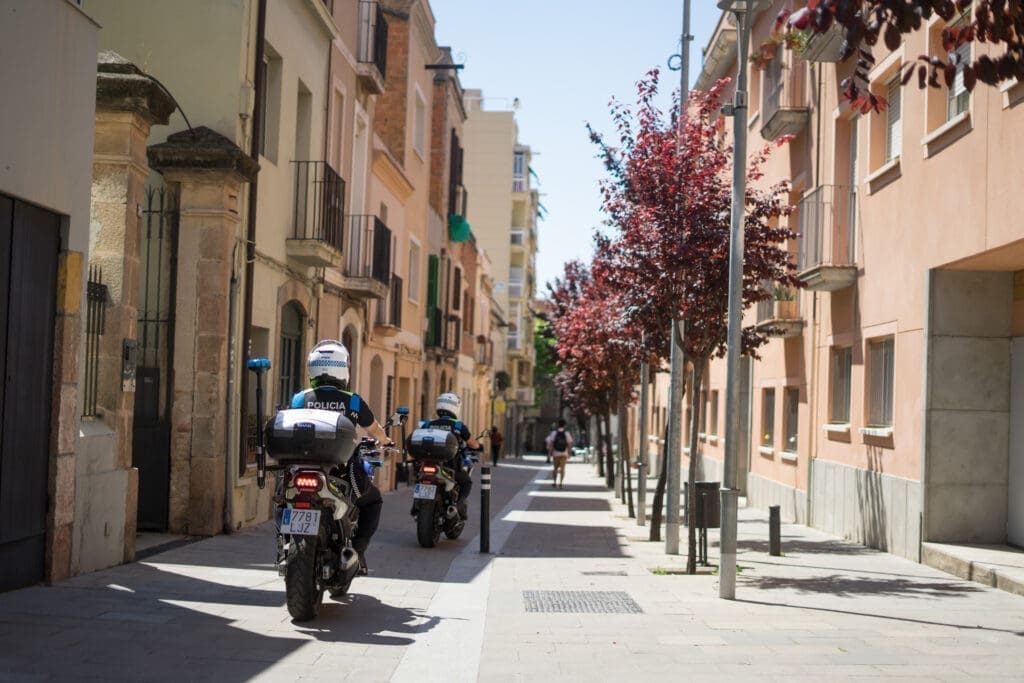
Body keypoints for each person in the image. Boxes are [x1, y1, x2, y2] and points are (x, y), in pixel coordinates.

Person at [289, 339, 392, 575]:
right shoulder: (353, 400)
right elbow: (374, 429)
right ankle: (358, 551)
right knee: (373, 500)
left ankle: (283, 539)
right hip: (339, 472)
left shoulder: (300, 398)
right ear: (343, 368)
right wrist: (385, 441)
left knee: (284, 497)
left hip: (303, 467)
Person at [421, 392, 482, 519]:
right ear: (455, 408)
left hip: (428, 463)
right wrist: (478, 446)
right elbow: (473, 444)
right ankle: (457, 505)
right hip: (450, 467)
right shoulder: (458, 426)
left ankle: (417, 505)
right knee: (466, 483)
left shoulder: (427, 424)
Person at [546, 419, 573, 489]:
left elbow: (551, 444)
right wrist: (569, 453)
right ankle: (561, 483)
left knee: (555, 468)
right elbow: (569, 444)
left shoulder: (554, 433)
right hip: (564, 454)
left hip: (556, 453)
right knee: (562, 468)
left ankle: (554, 482)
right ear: (565, 425)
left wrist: (549, 454)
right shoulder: (567, 433)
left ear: (558, 425)